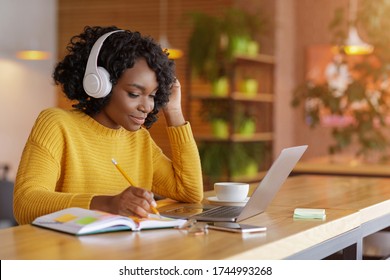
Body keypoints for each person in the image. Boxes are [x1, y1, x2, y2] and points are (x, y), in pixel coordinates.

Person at [13, 26, 203, 225]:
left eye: (153, 96)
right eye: (134, 94)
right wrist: (107, 204)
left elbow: (190, 192)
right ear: (100, 84)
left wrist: (173, 111)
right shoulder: (56, 124)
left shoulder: (139, 139)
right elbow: (26, 203)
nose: (147, 106)